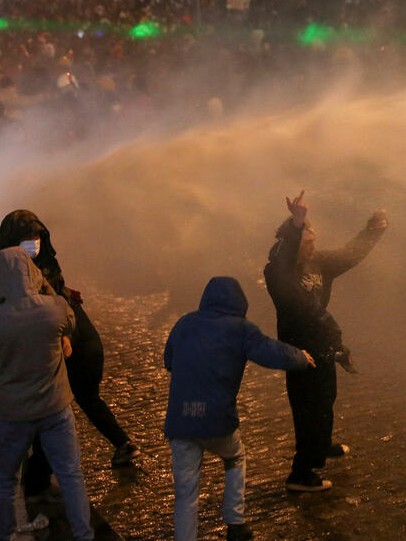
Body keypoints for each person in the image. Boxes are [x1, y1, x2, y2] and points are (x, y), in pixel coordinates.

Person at [0, 210, 138, 528]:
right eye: (26, 240)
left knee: (46, 422)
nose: (34, 245)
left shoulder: (45, 267)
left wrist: (64, 335)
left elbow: (61, 309)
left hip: (35, 365)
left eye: (37, 238)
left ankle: (38, 487)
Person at [165, 276, 314, 541]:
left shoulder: (185, 323)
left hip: (182, 418)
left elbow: (169, 361)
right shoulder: (241, 329)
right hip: (216, 419)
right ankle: (235, 523)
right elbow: (271, 352)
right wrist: (301, 357)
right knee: (235, 457)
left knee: (185, 492)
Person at [0, 247, 94, 541]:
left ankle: (5, 535)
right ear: (31, 274)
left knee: (5, 481)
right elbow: (70, 319)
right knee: (71, 475)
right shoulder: (54, 310)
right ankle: (83, 535)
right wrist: (43, 284)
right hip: (55, 410)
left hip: (12, 415)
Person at [264, 191, 387, 491]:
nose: (311, 248)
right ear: (290, 245)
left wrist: (373, 229)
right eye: (306, 244)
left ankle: (320, 445)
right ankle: (301, 473)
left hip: (323, 344)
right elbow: (283, 255)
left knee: (325, 399)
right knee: (307, 407)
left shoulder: (318, 263)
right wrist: (296, 223)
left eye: (312, 242)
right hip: (298, 349)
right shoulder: (278, 272)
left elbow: (350, 254)